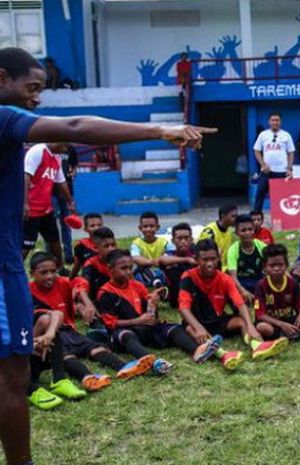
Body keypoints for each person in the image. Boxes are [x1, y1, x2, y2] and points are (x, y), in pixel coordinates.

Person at [0, 46, 214, 465]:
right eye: (32, 88)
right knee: (12, 378)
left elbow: (64, 134)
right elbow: (78, 124)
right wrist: (159, 132)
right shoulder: (4, 117)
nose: (37, 98)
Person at [29, 252, 151, 388]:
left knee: (94, 347)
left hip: (69, 330)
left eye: (53, 271)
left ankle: (123, 367)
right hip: (48, 334)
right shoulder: (27, 291)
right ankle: (86, 377)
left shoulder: (62, 283)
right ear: (32, 273)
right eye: (43, 272)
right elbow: (47, 317)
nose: (50, 276)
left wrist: (87, 303)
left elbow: (79, 282)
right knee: (66, 356)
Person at [97, 249, 223, 376]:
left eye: (130, 267)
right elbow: (111, 324)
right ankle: (154, 362)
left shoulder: (137, 285)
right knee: (125, 335)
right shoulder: (105, 292)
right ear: (110, 268)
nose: (129, 272)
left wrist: (153, 303)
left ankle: (197, 351)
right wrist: (137, 321)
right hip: (124, 334)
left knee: (175, 328)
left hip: (144, 329)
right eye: (123, 268)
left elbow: (151, 314)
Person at [179, 240, 288, 363]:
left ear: (218, 258)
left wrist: (250, 326)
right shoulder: (188, 276)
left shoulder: (225, 278)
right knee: (189, 328)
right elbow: (184, 308)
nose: (209, 263)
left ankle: (257, 346)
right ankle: (223, 355)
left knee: (242, 321)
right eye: (205, 260)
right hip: (197, 322)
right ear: (196, 260)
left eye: (213, 259)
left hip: (218, 321)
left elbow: (240, 304)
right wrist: (198, 328)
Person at [22, 142, 75, 269]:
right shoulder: (38, 151)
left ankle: (61, 269)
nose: (65, 151)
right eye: (65, 147)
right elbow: (26, 176)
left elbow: (61, 182)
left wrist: (70, 202)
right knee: (26, 245)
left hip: (46, 209)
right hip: (32, 209)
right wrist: (25, 203)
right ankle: (12, 271)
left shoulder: (56, 158)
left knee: (55, 241)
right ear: (58, 141)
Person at [254, 244, 300, 340]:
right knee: (262, 327)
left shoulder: (292, 283)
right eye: (272, 265)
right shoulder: (260, 286)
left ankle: (290, 336)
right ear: (264, 267)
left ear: (286, 265)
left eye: (280, 265)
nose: (276, 268)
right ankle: (296, 336)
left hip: (290, 320)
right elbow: (260, 315)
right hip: (273, 322)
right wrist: (281, 324)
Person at [27, 307, 86, 410]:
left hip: (30, 359)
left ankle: (59, 380)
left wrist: (49, 334)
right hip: (12, 370)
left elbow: (57, 313)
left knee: (48, 322)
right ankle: (29, 389)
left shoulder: (17, 308)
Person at [253, 112, 295, 212]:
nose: (274, 122)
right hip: (266, 171)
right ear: (269, 122)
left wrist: (289, 168)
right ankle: (256, 217)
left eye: (277, 120)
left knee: (282, 196)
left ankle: (281, 217)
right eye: (272, 120)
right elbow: (256, 150)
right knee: (260, 194)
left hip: (281, 171)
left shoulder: (286, 135)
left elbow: (291, 152)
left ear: (280, 122)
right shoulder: (263, 135)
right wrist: (263, 164)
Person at [225, 215, 268, 303]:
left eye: (250, 229)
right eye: (243, 230)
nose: (247, 233)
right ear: (236, 232)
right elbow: (233, 277)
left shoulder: (261, 246)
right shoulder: (233, 250)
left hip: (258, 282)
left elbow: (272, 265)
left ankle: (257, 303)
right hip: (241, 283)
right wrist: (243, 291)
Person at [74, 227, 118, 301]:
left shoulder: (121, 259)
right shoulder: (91, 264)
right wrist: (88, 304)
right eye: (106, 246)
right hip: (98, 301)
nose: (111, 249)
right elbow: (82, 287)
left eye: (113, 245)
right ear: (96, 248)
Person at [159, 223, 197, 309]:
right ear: (173, 241)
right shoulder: (169, 255)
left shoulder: (197, 254)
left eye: (186, 238)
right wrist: (186, 260)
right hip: (176, 300)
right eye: (179, 238)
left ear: (191, 240)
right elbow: (161, 260)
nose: (183, 241)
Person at [130, 211, 171, 288]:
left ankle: (159, 282)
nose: (148, 229)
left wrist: (164, 260)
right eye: (145, 226)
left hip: (161, 269)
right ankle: (157, 283)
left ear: (157, 227)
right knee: (140, 269)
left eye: (152, 226)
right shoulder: (136, 243)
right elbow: (135, 258)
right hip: (145, 271)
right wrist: (152, 262)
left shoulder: (164, 242)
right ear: (140, 228)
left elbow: (171, 254)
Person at [53, 145, 78, 265]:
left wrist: (73, 173)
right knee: (51, 225)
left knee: (66, 224)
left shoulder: (70, 149)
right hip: (50, 191)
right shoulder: (49, 149)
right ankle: (52, 256)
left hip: (67, 190)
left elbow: (74, 166)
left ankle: (69, 255)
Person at [199, 204, 237, 269]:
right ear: (223, 216)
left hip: (226, 268)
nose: (236, 219)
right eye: (233, 216)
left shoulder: (230, 231)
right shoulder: (209, 232)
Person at [70, 213, 103, 279]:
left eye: (99, 225)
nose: (96, 228)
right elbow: (76, 266)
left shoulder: (109, 243)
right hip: (88, 279)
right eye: (92, 226)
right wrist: (70, 279)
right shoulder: (80, 246)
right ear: (86, 229)